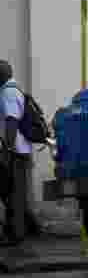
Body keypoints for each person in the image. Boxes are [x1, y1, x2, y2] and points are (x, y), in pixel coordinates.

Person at [0, 60, 29, 246]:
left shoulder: (8, 92)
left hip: (14, 152)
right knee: (11, 192)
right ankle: (14, 231)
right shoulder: (12, 90)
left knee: (13, 194)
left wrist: (7, 149)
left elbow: (11, 120)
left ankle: (16, 235)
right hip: (17, 151)